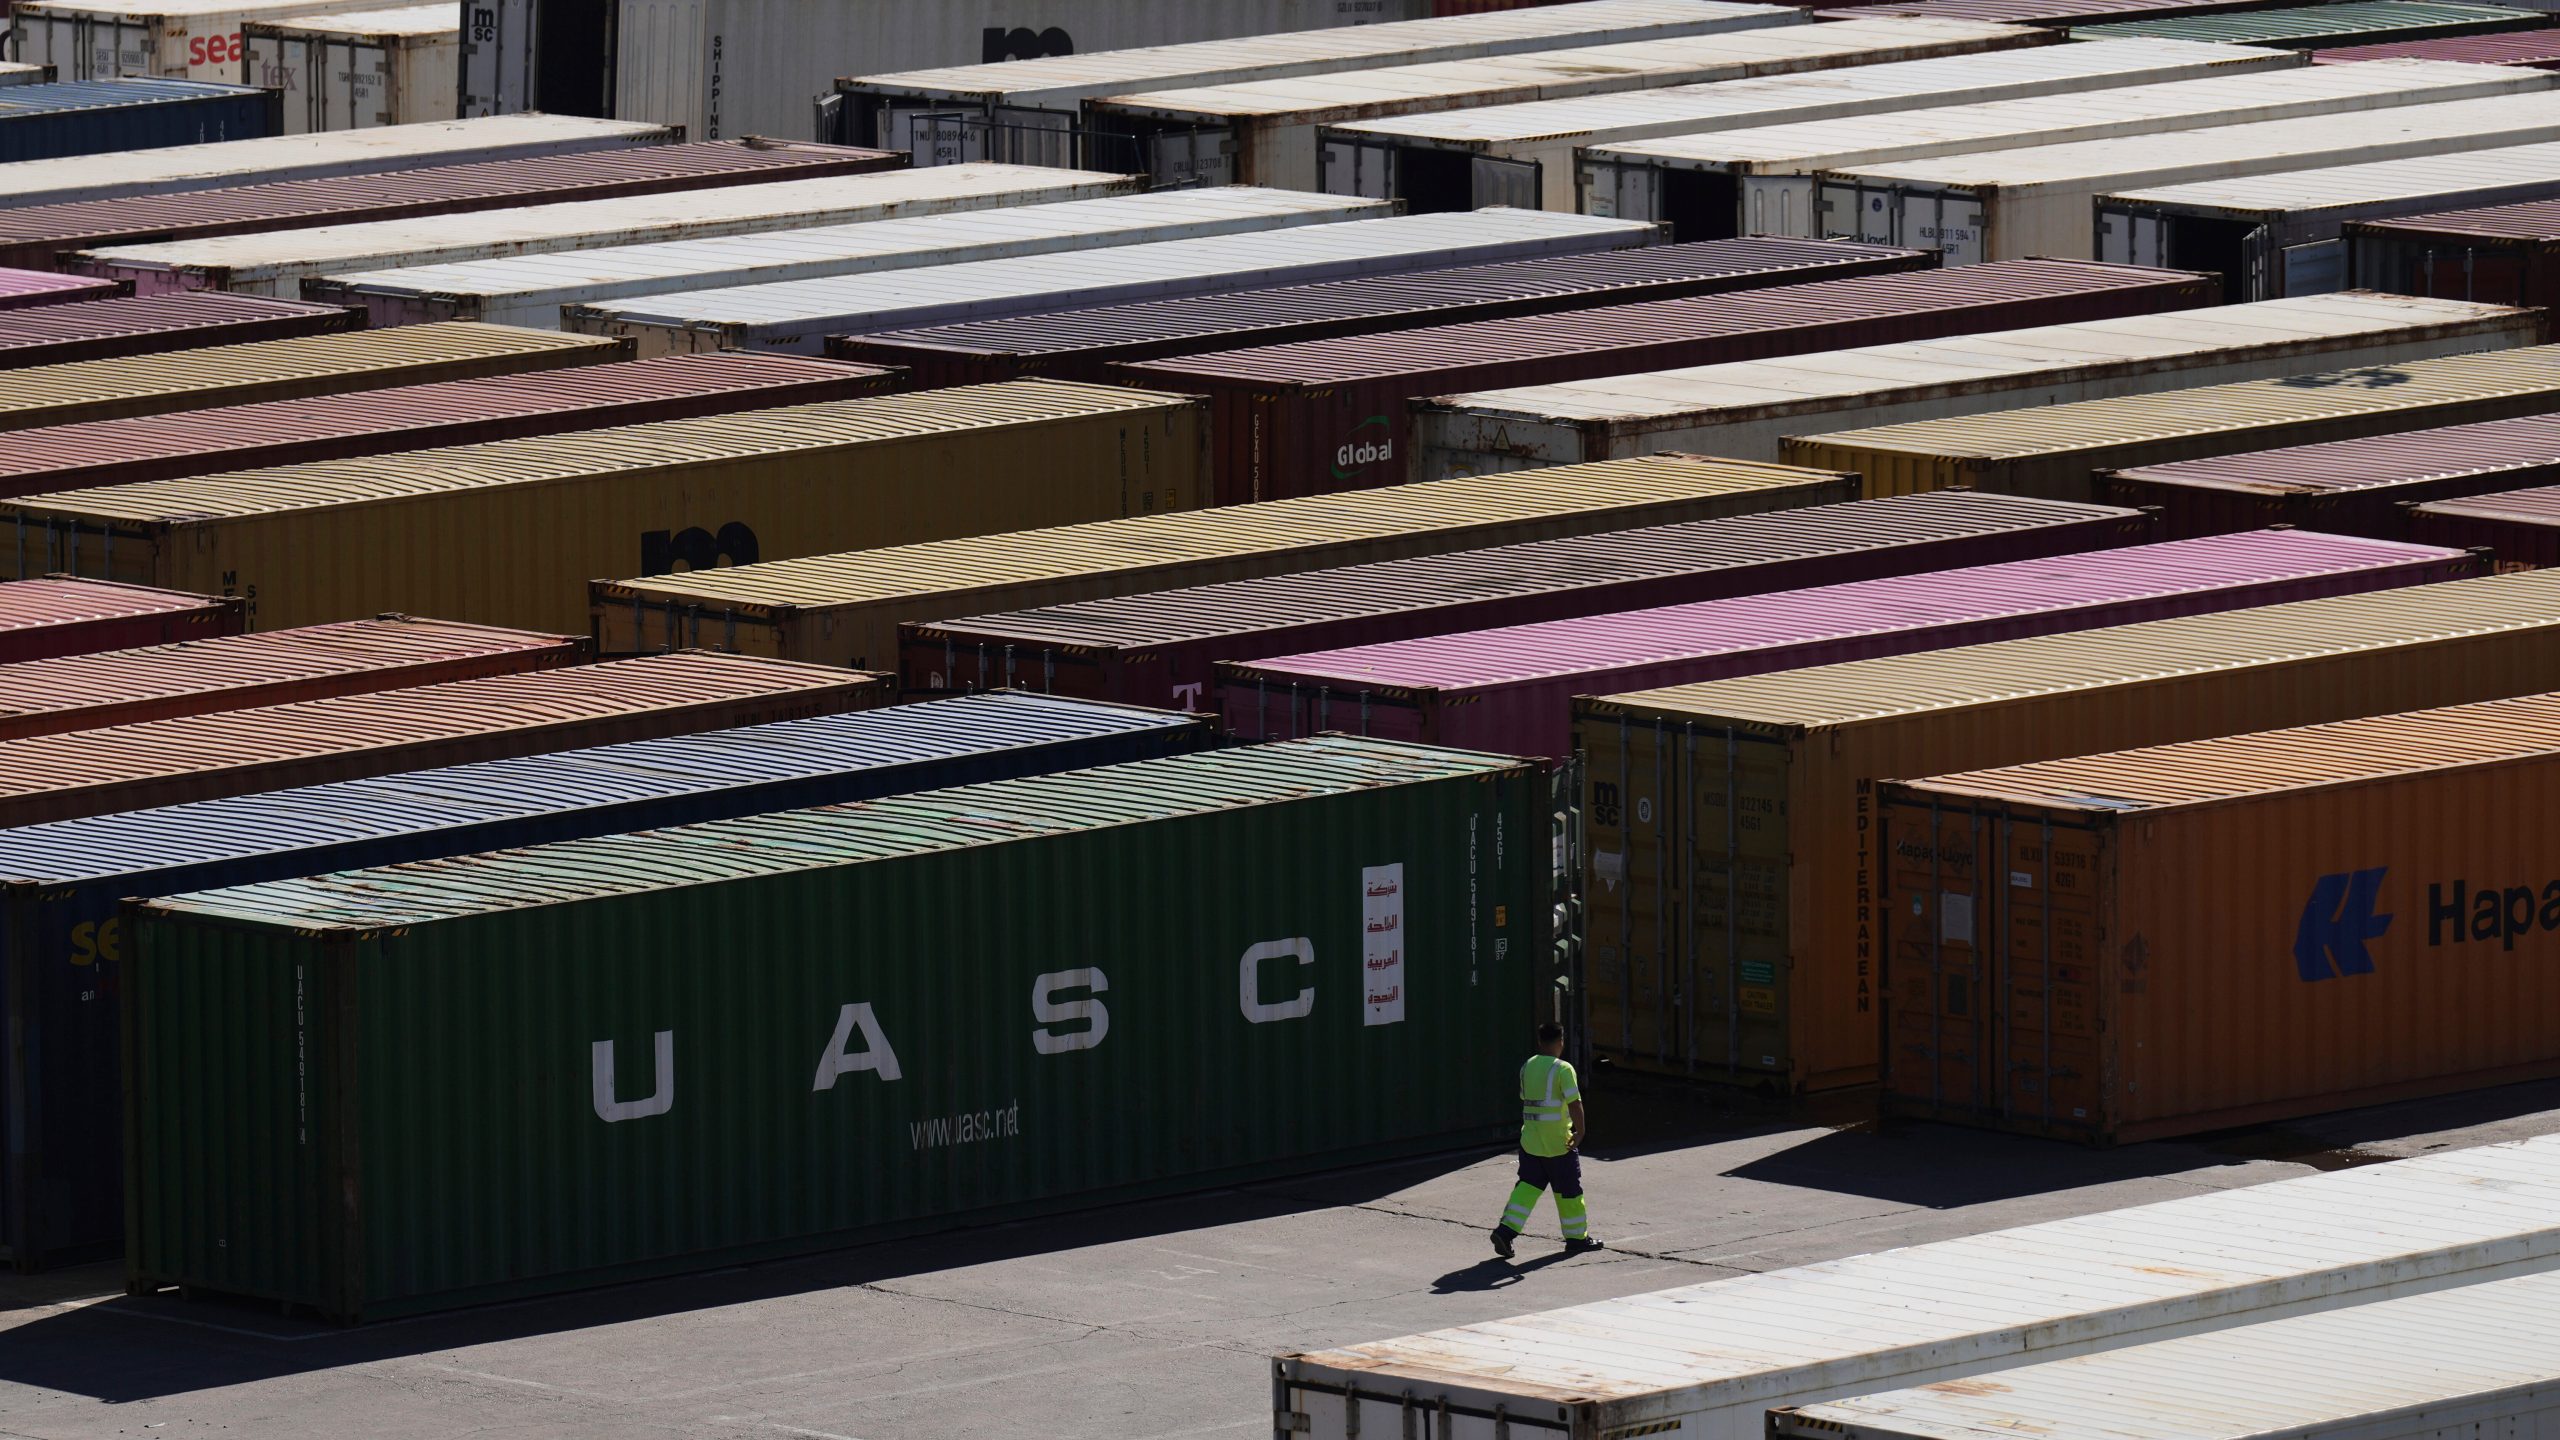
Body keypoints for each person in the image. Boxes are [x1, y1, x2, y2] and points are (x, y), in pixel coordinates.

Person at [1492, 1021, 1600, 1259]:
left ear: (1540, 1041)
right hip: (1559, 1143)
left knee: (1527, 1187)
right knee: (1569, 1191)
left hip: (1531, 1141)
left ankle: (1505, 1231)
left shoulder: (1527, 1067)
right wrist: (1580, 1132)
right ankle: (1576, 1239)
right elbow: (1574, 1103)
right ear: (1561, 1042)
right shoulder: (1563, 1069)